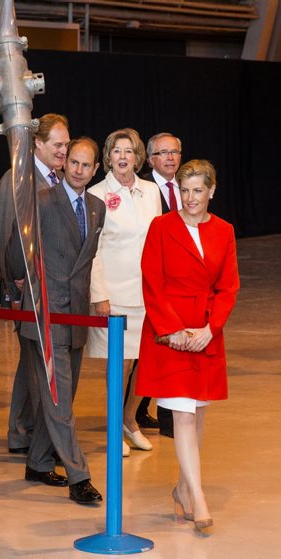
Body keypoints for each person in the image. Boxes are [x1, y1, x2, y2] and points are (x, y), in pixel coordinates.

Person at [136, 159, 239, 531]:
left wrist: (211, 329)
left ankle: (181, 488)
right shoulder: (161, 227)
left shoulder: (224, 231)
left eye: (198, 190)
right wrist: (173, 330)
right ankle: (198, 497)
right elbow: (152, 280)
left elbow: (228, 286)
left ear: (212, 190)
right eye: (185, 190)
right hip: (170, 335)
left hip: (206, 333)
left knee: (197, 417)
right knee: (181, 415)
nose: (191, 198)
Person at [6, 138, 106, 504]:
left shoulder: (97, 208)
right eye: (73, 163)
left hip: (75, 319)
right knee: (60, 401)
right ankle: (80, 476)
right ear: (66, 165)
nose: (78, 170)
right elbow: (16, 251)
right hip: (44, 319)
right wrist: (21, 280)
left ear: (96, 170)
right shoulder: (43, 200)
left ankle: (38, 461)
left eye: (86, 165)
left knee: (61, 399)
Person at [0, 113, 70, 454]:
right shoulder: (18, 180)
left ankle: (22, 432)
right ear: (37, 144)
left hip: (49, 290)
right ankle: (32, 436)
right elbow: (6, 238)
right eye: (58, 144)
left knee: (33, 365)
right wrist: (15, 288)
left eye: (66, 145)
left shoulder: (55, 180)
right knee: (37, 365)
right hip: (26, 292)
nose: (64, 151)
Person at [86, 128, 161, 457]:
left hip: (148, 290)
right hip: (114, 293)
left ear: (138, 157)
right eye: (116, 151)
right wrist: (98, 293)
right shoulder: (97, 193)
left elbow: (159, 240)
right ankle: (116, 425)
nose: (123, 157)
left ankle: (130, 420)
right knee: (122, 364)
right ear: (108, 156)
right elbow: (93, 250)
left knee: (147, 363)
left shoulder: (151, 190)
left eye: (129, 151)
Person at [136, 132, 184, 437]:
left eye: (174, 152)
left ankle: (160, 416)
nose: (170, 158)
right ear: (151, 159)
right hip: (153, 278)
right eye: (163, 153)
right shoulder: (145, 188)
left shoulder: (187, 185)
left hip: (181, 281)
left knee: (173, 351)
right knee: (149, 351)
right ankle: (137, 412)